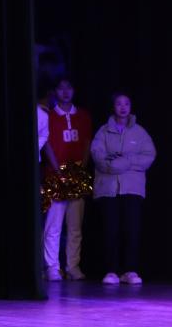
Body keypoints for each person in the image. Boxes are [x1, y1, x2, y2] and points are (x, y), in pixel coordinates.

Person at [90, 93, 157, 285]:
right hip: (108, 188)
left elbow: (149, 155)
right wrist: (113, 165)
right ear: (113, 107)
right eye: (119, 104)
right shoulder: (103, 131)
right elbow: (97, 154)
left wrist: (126, 161)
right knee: (111, 230)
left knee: (131, 230)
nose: (123, 107)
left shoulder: (139, 132)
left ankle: (130, 270)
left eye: (126, 103)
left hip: (132, 188)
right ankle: (111, 271)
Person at [42, 78, 92, 281]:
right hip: (55, 176)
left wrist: (80, 170)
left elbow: (87, 143)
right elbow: (46, 144)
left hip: (76, 176)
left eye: (69, 88)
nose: (65, 92)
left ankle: (73, 266)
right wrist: (58, 170)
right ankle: (52, 267)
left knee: (75, 225)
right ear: (55, 91)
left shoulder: (83, 116)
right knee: (53, 225)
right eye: (61, 88)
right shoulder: (49, 116)